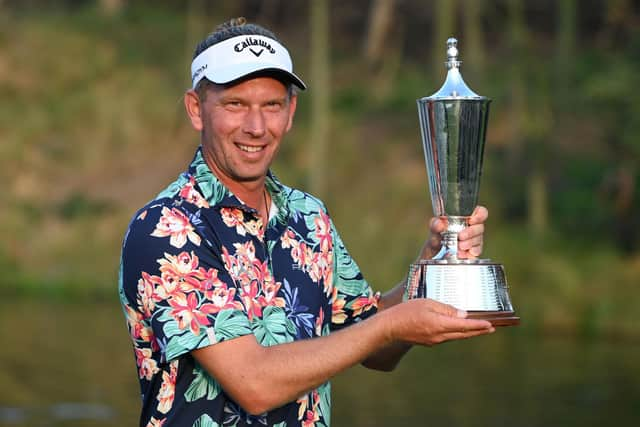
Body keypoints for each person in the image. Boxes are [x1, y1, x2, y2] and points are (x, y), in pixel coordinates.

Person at [119, 17, 494, 427]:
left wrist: (433, 261)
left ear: (291, 111)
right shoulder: (165, 227)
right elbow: (254, 384)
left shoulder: (308, 216)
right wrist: (388, 327)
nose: (256, 127)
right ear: (196, 109)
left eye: (272, 105)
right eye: (235, 104)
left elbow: (373, 346)